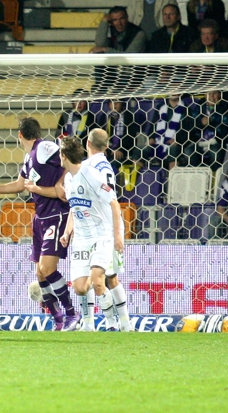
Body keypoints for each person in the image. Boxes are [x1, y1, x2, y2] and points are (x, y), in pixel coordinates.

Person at [0, 117, 79, 331]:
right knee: (40, 274)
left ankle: (71, 313)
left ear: (19, 135)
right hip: (39, 217)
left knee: (47, 268)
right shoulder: (28, 157)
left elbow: (71, 159)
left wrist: (61, 183)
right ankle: (57, 318)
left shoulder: (44, 147)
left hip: (56, 215)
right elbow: (20, 185)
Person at [58, 136, 124, 332]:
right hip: (81, 238)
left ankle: (112, 323)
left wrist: (118, 235)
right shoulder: (69, 179)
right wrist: (67, 231)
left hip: (101, 235)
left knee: (97, 280)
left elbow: (113, 202)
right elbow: (74, 206)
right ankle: (89, 322)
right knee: (80, 287)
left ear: (64, 156)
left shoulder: (92, 174)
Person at [80, 129, 132, 331]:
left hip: (97, 225)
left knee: (90, 274)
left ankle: (93, 323)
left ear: (88, 143)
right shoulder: (108, 165)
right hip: (115, 222)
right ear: (107, 146)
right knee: (112, 277)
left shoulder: (87, 166)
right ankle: (126, 324)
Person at [181, 90, 228, 170]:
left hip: (217, 141)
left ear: (220, 95)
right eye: (209, 93)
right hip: (200, 141)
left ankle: (214, 177)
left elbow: (227, 123)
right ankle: (198, 175)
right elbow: (192, 124)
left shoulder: (226, 106)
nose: (212, 96)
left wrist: (211, 120)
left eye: (215, 93)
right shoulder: (200, 106)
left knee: (215, 153)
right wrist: (201, 123)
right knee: (188, 151)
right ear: (205, 95)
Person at [140, 95, 190, 169]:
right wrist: (151, 137)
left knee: (173, 150)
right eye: (171, 88)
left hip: (175, 144)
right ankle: (140, 178)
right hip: (158, 142)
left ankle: (172, 178)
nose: (173, 92)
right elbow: (152, 126)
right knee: (139, 150)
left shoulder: (186, 110)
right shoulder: (160, 107)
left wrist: (178, 140)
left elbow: (188, 131)